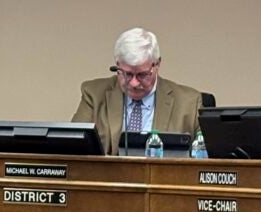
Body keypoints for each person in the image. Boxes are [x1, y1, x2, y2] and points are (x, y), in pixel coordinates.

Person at [74, 27, 202, 156]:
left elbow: (206, 156)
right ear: (117, 64)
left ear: (157, 64)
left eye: (142, 75)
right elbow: (74, 147)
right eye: (127, 74)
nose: (134, 83)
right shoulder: (94, 95)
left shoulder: (189, 103)